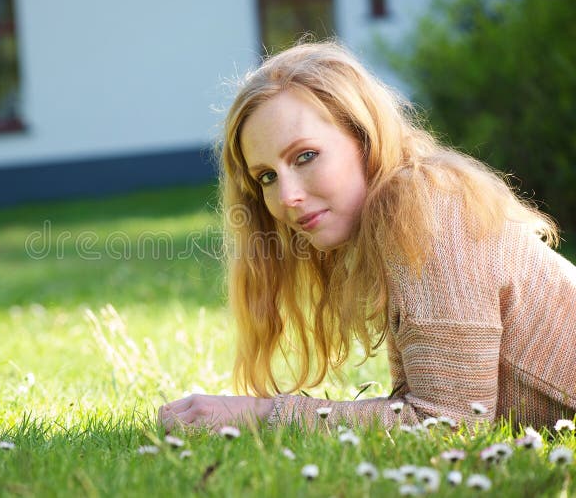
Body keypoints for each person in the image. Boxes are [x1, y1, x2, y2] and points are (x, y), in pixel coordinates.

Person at [157, 40, 576, 432]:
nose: (287, 197)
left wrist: (263, 413)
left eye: (306, 156)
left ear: (365, 139)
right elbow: (423, 404)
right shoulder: (397, 218)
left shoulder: (430, 210)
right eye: (266, 176)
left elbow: (447, 424)